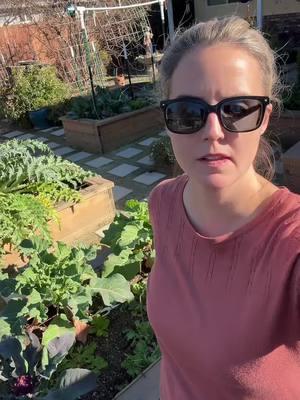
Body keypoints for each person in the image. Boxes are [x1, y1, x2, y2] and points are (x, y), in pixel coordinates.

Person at [146, 16, 300, 400]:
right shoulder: (162, 203)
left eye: (238, 109)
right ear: (166, 121)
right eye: (187, 112)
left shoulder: (291, 243)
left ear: (264, 117)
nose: (213, 131)